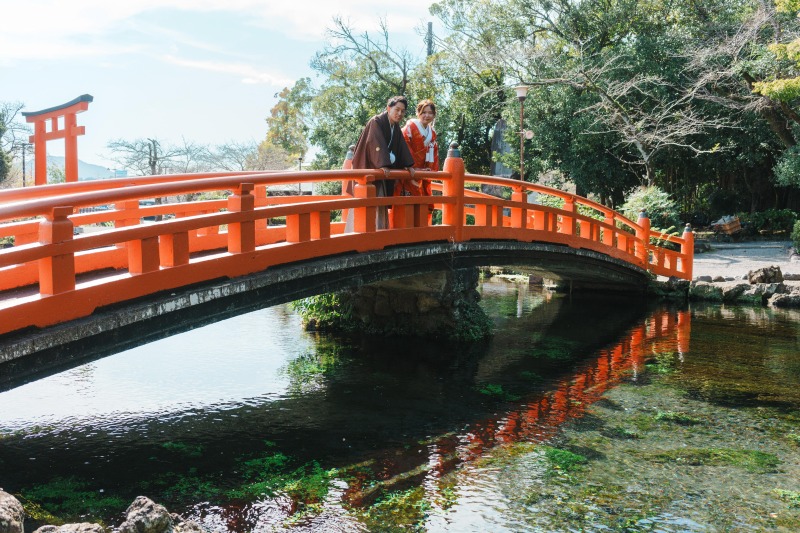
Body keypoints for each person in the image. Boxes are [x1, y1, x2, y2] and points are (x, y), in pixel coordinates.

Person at [348, 96, 416, 230]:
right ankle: (360, 232)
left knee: (380, 202)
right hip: (370, 166)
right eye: (397, 110)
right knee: (367, 202)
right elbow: (375, 142)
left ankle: (379, 231)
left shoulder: (395, 126)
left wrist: (407, 164)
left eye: (403, 111)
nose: (400, 114)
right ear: (388, 108)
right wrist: (382, 163)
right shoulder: (376, 121)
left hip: (381, 167)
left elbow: (401, 146)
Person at [395, 100, 438, 223]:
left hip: (423, 172)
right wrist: (410, 165)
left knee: (423, 200)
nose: (427, 115)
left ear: (434, 115)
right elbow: (404, 147)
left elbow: (433, 152)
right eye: (423, 112)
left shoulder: (432, 133)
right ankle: (403, 229)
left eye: (430, 113)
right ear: (418, 113)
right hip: (409, 170)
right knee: (407, 200)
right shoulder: (410, 128)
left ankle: (421, 229)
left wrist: (430, 169)